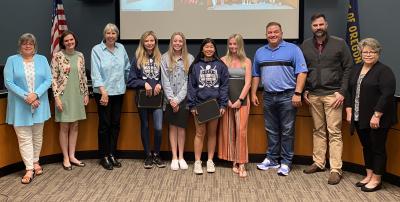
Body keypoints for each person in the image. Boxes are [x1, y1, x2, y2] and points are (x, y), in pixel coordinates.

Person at [300, 13, 353, 185]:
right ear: (311, 27)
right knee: (318, 130)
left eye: (321, 24)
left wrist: (342, 91)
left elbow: (348, 68)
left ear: (326, 25)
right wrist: (305, 89)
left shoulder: (339, 43)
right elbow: (303, 70)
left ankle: (336, 169)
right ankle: (319, 162)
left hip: (333, 95)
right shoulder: (306, 45)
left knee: (334, 132)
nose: (318, 28)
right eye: (315, 25)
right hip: (314, 95)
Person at [251, 22, 307, 176]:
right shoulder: (260, 52)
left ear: (282, 33)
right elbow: (256, 74)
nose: (273, 35)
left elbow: (302, 72)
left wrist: (298, 93)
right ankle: (272, 159)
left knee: (287, 131)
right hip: (268, 96)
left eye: (276, 32)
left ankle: (286, 162)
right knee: (271, 129)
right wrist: (254, 93)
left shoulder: (293, 49)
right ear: (266, 34)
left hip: (288, 96)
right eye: (270, 32)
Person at [345, 38, 396, 192]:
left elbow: (387, 94)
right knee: (367, 146)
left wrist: (377, 115)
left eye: (372, 51)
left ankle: (377, 179)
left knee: (377, 148)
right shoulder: (357, 68)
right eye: (365, 51)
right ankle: (369, 174)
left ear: (378, 53)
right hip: (360, 117)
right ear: (361, 53)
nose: (368, 54)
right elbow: (349, 90)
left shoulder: (384, 71)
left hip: (377, 118)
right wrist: (348, 109)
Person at [4, 33, 52, 184]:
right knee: (24, 138)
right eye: (24, 43)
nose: (27, 45)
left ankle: (36, 161)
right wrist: (27, 97)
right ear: (20, 45)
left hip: (39, 104)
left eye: (30, 43)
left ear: (34, 45)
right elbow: (9, 82)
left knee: (37, 136)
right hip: (20, 105)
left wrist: (36, 94)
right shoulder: (12, 60)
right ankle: (29, 168)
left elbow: (48, 80)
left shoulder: (42, 59)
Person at [91, 23, 130, 170]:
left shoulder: (121, 49)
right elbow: (95, 73)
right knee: (104, 125)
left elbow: (127, 68)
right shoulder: (96, 50)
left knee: (115, 124)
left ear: (117, 35)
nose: (111, 35)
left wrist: (130, 82)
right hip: (103, 93)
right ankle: (104, 156)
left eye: (113, 33)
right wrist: (103, 92)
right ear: (104, 35)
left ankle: (112, 153)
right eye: (108, 33)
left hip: (119, 92)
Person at [187, 38, 229, 175]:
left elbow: (224, 86)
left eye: (211, 47)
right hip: (199, 104)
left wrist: (223, 104)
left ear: (215, 49)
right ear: (202, 49)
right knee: (200, 133)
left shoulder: (221, 66)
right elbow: (191, 87)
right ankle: (197, 161)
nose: (209, 49)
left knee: (212, 134)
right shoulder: (195, 66)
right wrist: (192, 105)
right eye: (206, 47)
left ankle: (210, 160)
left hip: (215, 104)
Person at [127, 31, 166, 169]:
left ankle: (156, 154)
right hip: (142, 98)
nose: (149, 43)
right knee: (145, 125)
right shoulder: (137, 58)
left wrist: (160, 83)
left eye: (152, 41)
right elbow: (130, 80)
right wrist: (144, 83)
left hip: (157, 99)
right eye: (147, 41)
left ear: (155, 42)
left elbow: (166, 78)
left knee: (158, 127)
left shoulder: (161, 58)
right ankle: (148, 155)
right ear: (143, 43)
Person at [51, 31, 89, 171]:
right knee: (64, 126)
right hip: (63, 95)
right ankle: (65, 157)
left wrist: (86, 94)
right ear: (63, 42)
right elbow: (53, 78)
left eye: (71, 39)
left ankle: (72, 156)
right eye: (66, 40)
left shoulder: (80, 56)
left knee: (75, 125)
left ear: (75, 40)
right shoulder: (58, 56)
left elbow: (83, 76)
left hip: (77, 94)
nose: (69, 42)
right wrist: (56, 97)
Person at [218, 34, 251, 177]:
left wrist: (240, 99)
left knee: (241, 131)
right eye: (230, 44)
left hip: (242, 102)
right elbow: (220, 82)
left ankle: (241, 162)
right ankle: (233, 160)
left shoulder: (247, 61)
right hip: (227, 101)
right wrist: (227, 100)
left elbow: (248, 82)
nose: (233, 47)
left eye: (235, 44)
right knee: (229, 131)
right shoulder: (223, 61)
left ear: (240, 45)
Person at [160, 32, 194, 171]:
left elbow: (189, 81)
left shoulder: (189, 58)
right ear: (171, 42)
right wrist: (171, 99)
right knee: (172, 127)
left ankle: (181, 157)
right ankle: (174, 157)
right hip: (169, 100)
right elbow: (164, 80)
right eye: (175, 41)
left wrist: (178, 99)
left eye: (180, 41)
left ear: (183, 43)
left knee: (181, 128)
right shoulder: (164, 57)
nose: (178, 43)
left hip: (183, 99)